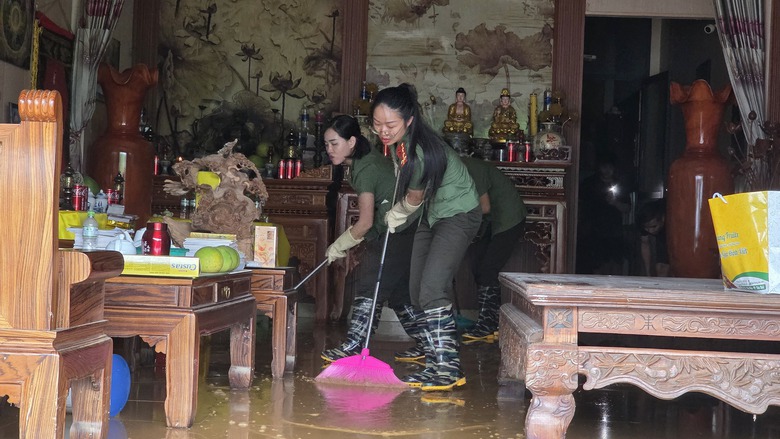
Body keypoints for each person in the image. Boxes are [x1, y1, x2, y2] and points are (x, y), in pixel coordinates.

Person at [372, 83, 482, 392]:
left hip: (458, 212)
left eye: (390, 124)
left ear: (408, 121)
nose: (383, 130)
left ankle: (448, 369)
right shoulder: (400, 146)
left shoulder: (418, 151)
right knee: (416, 288)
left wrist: (397, 213)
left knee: (433, 287)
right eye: (377, 123)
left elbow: (415, 198)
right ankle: (434, 363)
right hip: (432, 215)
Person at [319, 115, 422, 363]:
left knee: (369, 286)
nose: (329, 149)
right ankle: (430, 344)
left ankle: (354, 345)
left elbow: (365, 222)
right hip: (397, 229)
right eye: (326, 144)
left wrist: (340, 245)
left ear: (351, 142)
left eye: (334, 143)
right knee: (398, 295)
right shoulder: (363, 161)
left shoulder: (366, 168)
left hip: (398, 231)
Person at [460, 157, 527, 343]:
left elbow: (485, 206)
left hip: (509, 219)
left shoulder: (473, 168)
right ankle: (491, 322)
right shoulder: (458, 168)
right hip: (491, 222)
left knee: (488, 269)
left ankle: (487, 325)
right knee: (478, 266)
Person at [576, 152, 631, 274]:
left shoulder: (620, 184)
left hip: (614, 230)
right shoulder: (589, 183)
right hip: (592, 230)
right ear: (599, 167)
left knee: (615, 263)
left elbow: (627, 208)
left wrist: (615, 202)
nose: (607, 170)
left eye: (610, 167)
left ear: (614, 168)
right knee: (595, 265)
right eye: (604, 166)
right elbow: (579, 203)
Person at [636, 198, 669, 277]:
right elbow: (645, 244)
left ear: (663, 218)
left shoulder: (670, 217)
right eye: (647, 228)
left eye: (654, 226)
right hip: (661, 235)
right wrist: (648, 273)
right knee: (660, 268)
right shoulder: (643, 222)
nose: (650, 231)